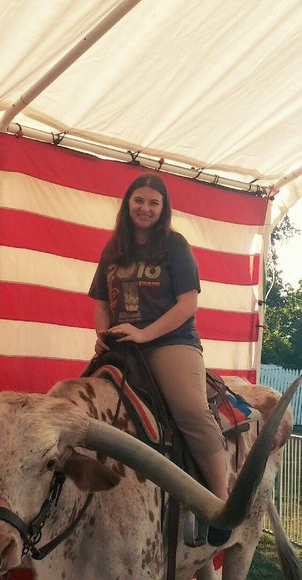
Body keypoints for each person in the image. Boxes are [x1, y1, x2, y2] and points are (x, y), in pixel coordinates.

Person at [88, 173, 230, 544]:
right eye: (139, 200)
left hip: (170, 341)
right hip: (123, 343)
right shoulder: (113, 248)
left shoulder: (174, 245)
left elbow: (187, 304)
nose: (145, 208)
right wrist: (103, 335)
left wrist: (144, 334)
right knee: (83, 408)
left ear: (163, 208)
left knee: (190, 412)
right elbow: (101, 302)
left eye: (154, 202)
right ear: (128, 203)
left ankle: (221, 504)